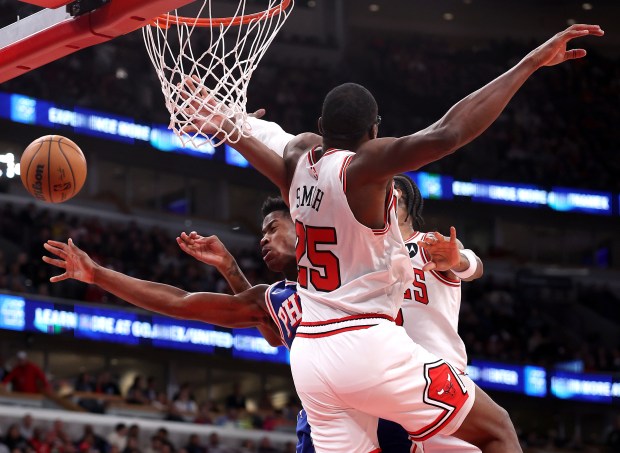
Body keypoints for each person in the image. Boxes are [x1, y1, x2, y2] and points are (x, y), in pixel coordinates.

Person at [190, 24, 603, 452]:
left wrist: (229, 123)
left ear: (321, 126)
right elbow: (449, 133)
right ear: (374, 131)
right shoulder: (366, 172)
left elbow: (272, 137)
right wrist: (531, 61)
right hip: (377, 350)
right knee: (497, 428)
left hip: (322, 357)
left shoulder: (299, 163)